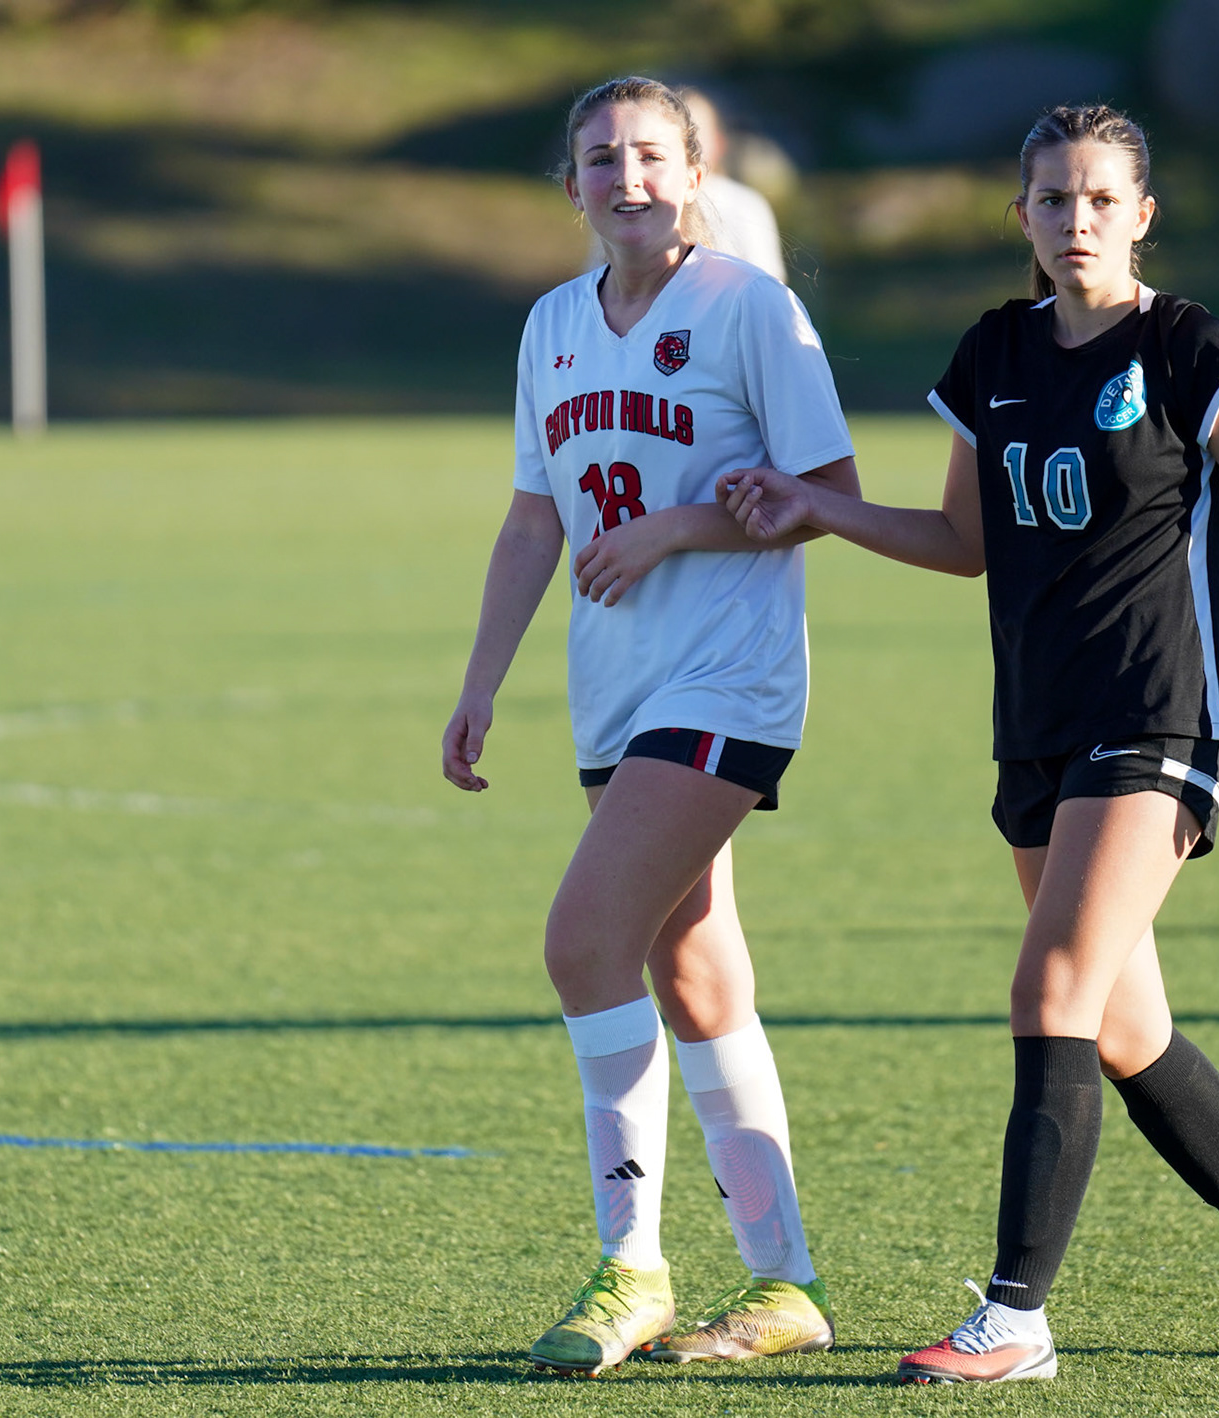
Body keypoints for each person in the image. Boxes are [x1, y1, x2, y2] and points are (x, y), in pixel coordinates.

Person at [722, 103, 1219, 1384]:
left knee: (1048, 993)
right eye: (1051, 198)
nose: (1074, 220)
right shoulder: (993, 352)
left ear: (1141, 214)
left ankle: (1015, 1317)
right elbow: (963, 540)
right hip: (1033, 724)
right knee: (1123, 1025)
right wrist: (819, 506)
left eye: (1099, 199)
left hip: (1158, 715)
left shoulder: (1190, 346)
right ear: (1020, 216)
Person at [441, 74, 859, 1377]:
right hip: (613, 688)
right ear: (568, 186)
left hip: (727, 679)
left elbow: (829, 493)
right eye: (600, 158)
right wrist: (480, 681)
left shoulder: (752, 309)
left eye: (651, 155)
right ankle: (786, 1281)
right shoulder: (552, 324)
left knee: (583, 941)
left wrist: (680, 525)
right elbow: (533, 518)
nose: (627, 177)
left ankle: (632, 1267)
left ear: (697, 174)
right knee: (693, 970)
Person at [678, 87, 788, 283]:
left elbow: (767, 282)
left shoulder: (744, 205)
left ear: (719, 142)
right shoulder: (647, 204)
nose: (687, 146)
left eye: (695, 135)